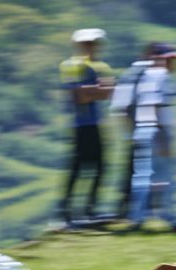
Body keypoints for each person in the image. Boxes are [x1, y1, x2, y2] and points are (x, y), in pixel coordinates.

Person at [58, 28, 114, 225]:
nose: (92, 47)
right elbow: (81, 96)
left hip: (93, 123)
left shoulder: (97, 66)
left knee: (96, 167)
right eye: (88, 43)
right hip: (82, 124)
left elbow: (107, 91)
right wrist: (97, 89)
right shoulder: (73, 65)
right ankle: (68, 210)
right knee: (81, 167)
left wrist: (94, 90)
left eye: (94, 43)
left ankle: (85, 209)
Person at [128, 43, 176, 231]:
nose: (175, 63)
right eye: (172, 59)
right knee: (164, 176)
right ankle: (168, 216)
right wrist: (163, 137)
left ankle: (137, 217)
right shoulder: (162, 76)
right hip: (157, 130)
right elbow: (157, 106)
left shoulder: (146, 76)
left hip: (143, 128)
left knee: (143, 175)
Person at [110, 44, 156, 219]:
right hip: (140, 129)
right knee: (138, 171)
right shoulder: (139, 75)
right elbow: (125, 106)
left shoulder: (133, 74)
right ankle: (133, 211)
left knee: (133, 170)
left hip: (135, 129)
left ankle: (130, 209)